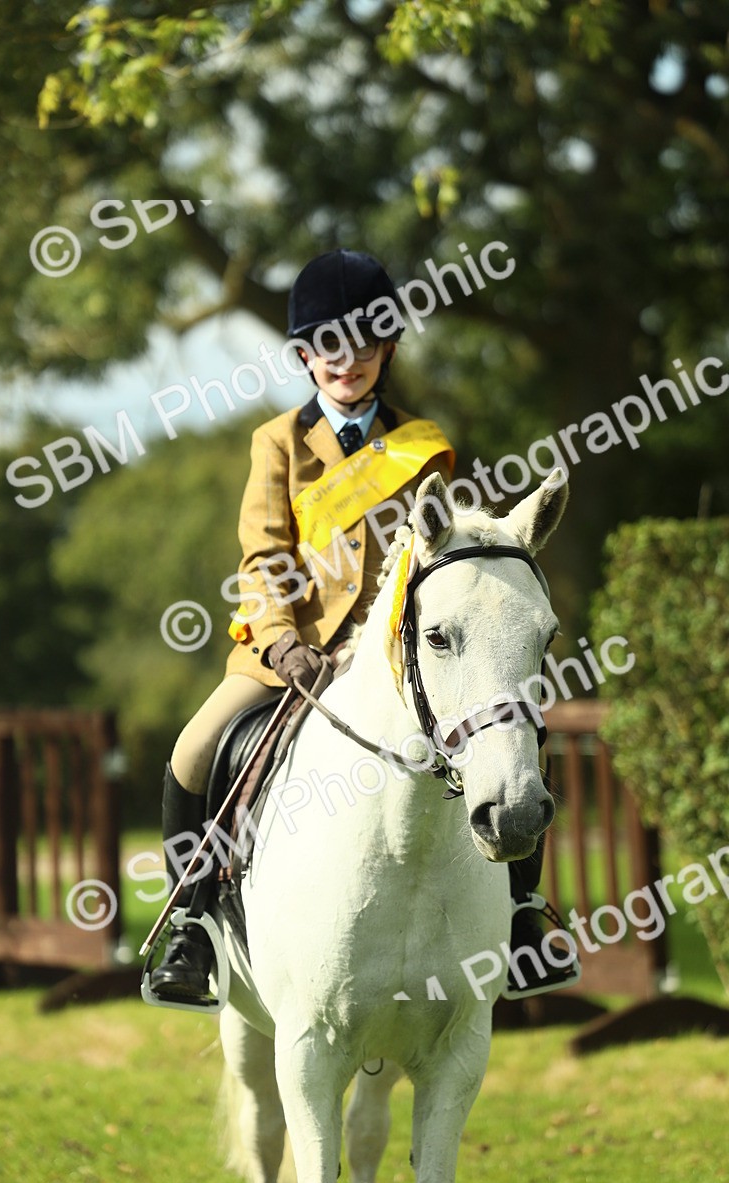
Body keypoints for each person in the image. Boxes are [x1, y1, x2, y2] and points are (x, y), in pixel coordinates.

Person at [149, 248, 578, 1003]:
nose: (346, 361)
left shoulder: (421, 445)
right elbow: (262, 555)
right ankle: (193, 924)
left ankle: (518, 917)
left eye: (365, 344)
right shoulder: (277, 443)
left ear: (387, 349)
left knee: (509, 744)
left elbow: (444, 562)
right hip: (283, 651)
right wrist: (283, 640)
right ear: (305, 354)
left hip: (393, 653)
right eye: (328, 345)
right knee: (193, 750)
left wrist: (387, 641)